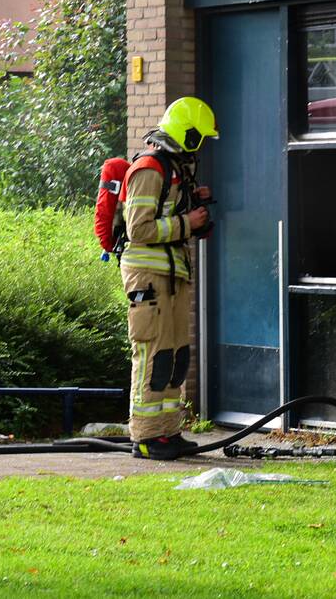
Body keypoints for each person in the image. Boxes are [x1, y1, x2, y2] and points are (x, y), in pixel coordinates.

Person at [120, 97, 216, 460]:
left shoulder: (174, 169)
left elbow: (169, 215)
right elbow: (139, 229)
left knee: (176, 355)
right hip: (148, 276)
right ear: (186, 133)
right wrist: (185, 223)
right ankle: (145, 437)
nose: (202, 145)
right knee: (152, 355)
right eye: (199, 137)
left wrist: (193, 206)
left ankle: (168, 432)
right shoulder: (149, 168)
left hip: (173, 272)